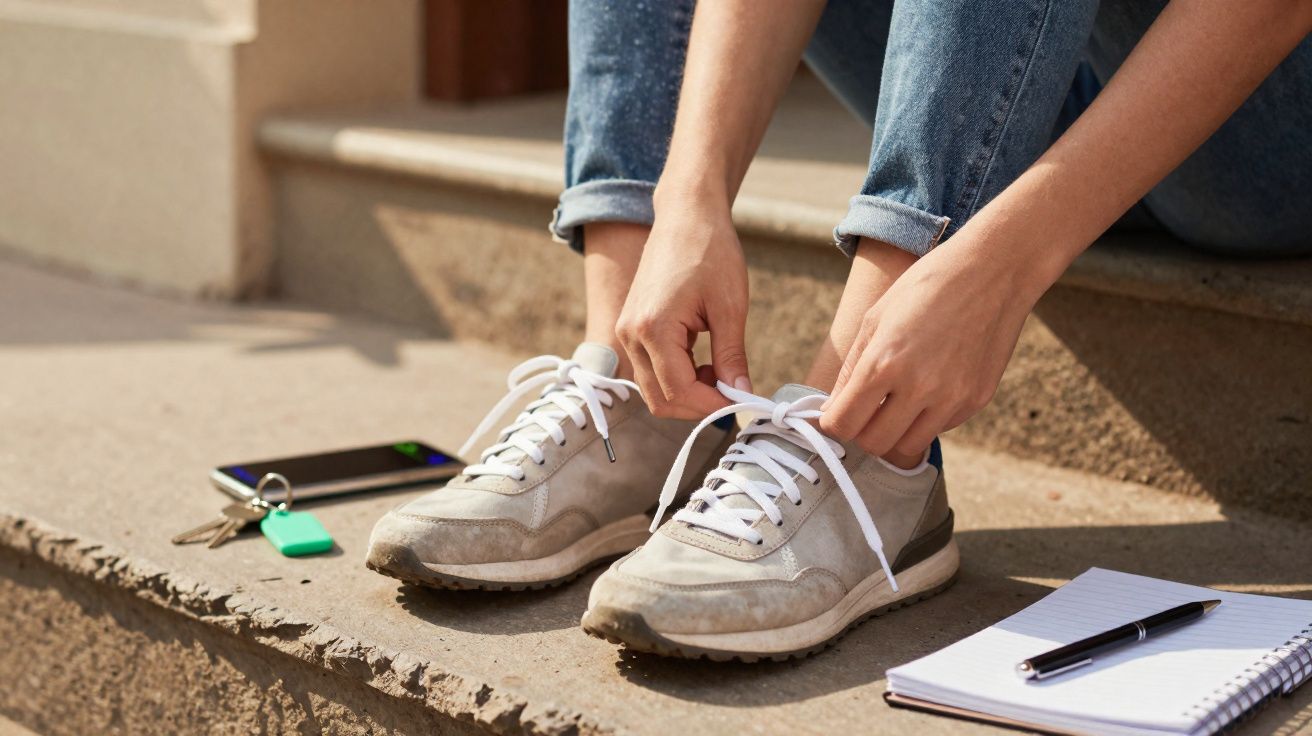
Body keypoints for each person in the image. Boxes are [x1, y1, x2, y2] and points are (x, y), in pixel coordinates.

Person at [368, 0, 1312, 661]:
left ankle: (863, 435)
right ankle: (639, 384)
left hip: (1260, 121)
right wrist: (686, 194)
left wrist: (1007, 261)